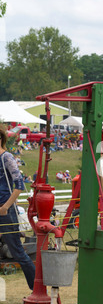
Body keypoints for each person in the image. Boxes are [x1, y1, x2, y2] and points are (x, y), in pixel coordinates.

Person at [0, 124, 36, 290]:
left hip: (5, 210)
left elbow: (20, 185)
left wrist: (6, 207)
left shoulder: (6, 157)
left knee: (17, 252)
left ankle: (36, 289)